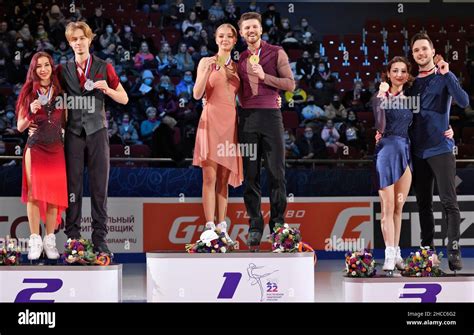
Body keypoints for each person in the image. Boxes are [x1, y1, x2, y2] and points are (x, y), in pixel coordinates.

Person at [60, 22, 128, 256]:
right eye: (74, 39)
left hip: (98, 132)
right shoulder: (63, 69)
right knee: (73, 188)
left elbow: (125, 98)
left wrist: (107, 89)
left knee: (99, 188)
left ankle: (100, 240)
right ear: (70, 43)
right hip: (73, 134)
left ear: (90, 39)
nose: (78, 42)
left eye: (82, 38)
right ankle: (73, 239)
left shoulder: (103, 66)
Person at [409, 33, 469, 271]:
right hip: (417, 151)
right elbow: (402, 115)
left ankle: (453, 250)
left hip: (441, 148)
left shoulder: (444, 76)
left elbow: (463, 102)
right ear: (413, 56)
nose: (421, 53)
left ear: (433, 51)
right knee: (423, 204)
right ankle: (427, 252)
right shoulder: (412, 83)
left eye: (424, 48)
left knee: (448, 202)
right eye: (416, 50)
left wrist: (448, 75)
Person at [236, 12, 295, 250]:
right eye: (246, 28)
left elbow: (290, 84)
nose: (251, 31)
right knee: (250, 176)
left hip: (271, 117)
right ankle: (254, 226)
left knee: (276, 173)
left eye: (254, 27)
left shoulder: (276, 51)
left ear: (261, 30)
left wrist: (265, 77)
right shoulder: (239, 58)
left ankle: (278, 224)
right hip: (247, 119)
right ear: (241, 33)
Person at [193, 23, 244, 244]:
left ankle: (222, 227)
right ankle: (209, 227)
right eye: (221, 36)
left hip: (230, 124)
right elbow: (196, 94)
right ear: (216, 40)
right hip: (210, 121)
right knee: (209, 177)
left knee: (223, 178)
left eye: (229, 36)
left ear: (234, 41)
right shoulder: (205, 62)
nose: (224, 39)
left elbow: (246, 98)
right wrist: (206, 71)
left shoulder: (239, 67)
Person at [16, 52, 67, 261]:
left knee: (54, 196)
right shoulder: (28, 92)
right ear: (34, 69)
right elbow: (20, 126)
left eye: (47, 65)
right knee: (34, 195)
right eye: (39, 66)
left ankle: (50, 240)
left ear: (51, 67)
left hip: (56, 148)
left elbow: (65, 121)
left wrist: (62, 131)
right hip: (35, 148)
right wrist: (30, 112)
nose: (43, 69)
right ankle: (35, 240)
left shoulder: (60, 93)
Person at [373, 57, 415, 275]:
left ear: (407, 75)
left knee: (399, 207)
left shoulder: (412, 100)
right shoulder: (380, 97)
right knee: (387, 208)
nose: (399, 74)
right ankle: (389, 254)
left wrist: (448, 130)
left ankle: (397, 253)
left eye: (403, 71)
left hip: (406, 152)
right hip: (386, 152)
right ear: (388, 74)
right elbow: (379, 124)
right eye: (395, 70)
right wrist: (381, 96)